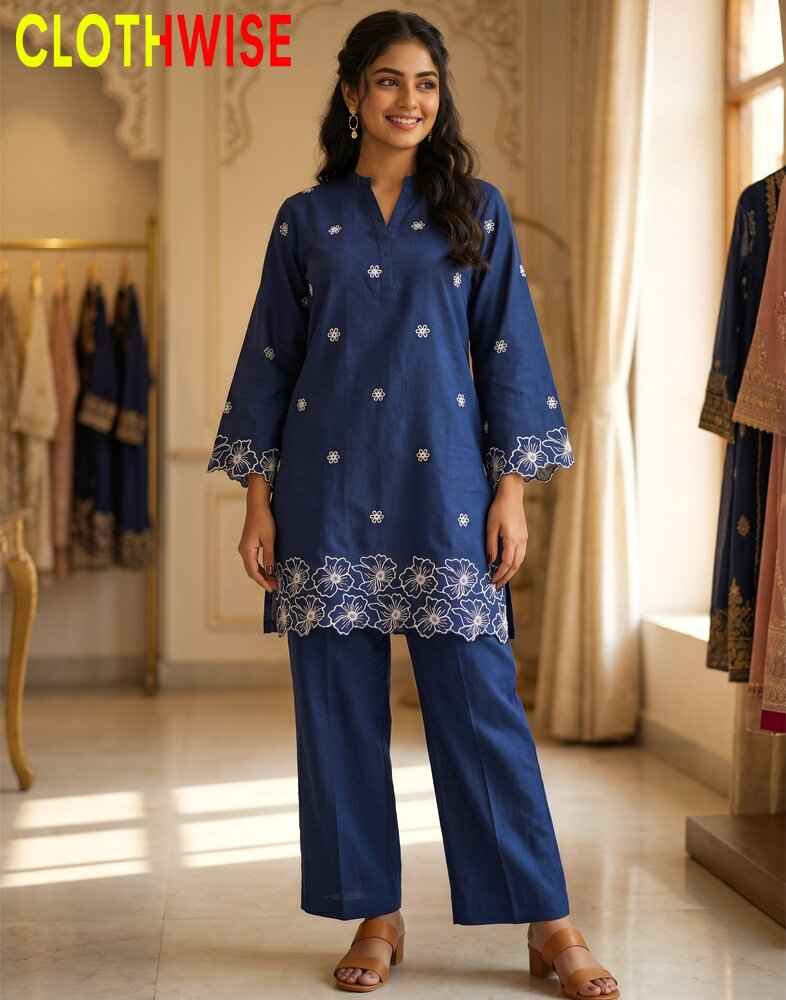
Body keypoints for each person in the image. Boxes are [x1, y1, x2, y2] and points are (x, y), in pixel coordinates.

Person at [206, 9, 618, 998]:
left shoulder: (477, 208)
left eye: (426, 83)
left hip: (447, 496)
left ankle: (547, 921)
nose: (409, 100)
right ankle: (375, 914)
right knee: (339, 712)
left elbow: (506, 351)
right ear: (352, 95)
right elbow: (271, 360)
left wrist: (510, 493)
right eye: (388, 82)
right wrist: (257, 500)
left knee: (482, 709)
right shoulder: (308, 220)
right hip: (328, 493)